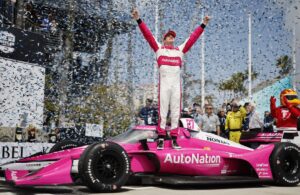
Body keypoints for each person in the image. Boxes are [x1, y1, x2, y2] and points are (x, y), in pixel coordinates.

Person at [131, 8, 210, 150]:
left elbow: (192, 38)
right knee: (162, 112)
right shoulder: (158, 49)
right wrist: (138, 19)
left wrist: (203, 24)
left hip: (176, 86)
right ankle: (161, 138)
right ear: (164, 39)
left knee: (175, 112)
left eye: (173, 37)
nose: (172, 38)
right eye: (169, 37)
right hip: (164, 86)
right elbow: (147, 35)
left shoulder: (180, 50)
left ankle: (174, 139)